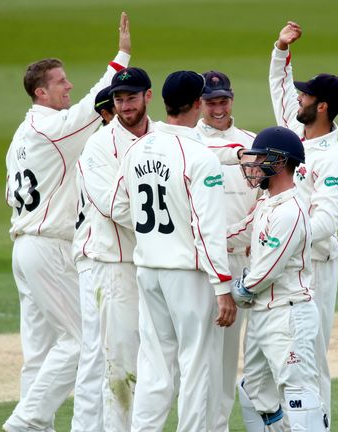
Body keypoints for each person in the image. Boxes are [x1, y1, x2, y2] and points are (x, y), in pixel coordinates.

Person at [2, 12, 131, 432]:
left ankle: (33, 426)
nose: (68, 86)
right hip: (50, 246)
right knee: (80, 342)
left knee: (39, 350)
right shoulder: (50, 128)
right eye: (61, 82)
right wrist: (121, 57)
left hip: (24, 245)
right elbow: (91, 107)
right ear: (41, 91)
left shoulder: (20, 136)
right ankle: (28, 419)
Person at [110, 70, 237, 431]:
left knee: (155, 365)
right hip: (189, 275)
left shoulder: (137, 148)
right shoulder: (199, 156)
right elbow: (208, 228)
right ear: (198, 103)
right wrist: (223, 286)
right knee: (198, 366)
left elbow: (118, 206)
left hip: (149, 270)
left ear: (162, 101)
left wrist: (156, 237)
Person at [268, 20, 338, 421]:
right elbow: (280, 89)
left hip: (315, 266)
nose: (298, 98)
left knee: (311, 357)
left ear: (322, 106)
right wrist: (281, 50)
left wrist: (288, 242)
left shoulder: (335, 163)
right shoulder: (295, 133)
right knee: (282, 355)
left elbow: (326, 221)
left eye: (307, 95)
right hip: (285, 265)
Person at [228, 126, 328, 431]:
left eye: (260, 159)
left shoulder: (291, 212)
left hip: (288, 313)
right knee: (254, 389)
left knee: (297, 395)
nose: (254, 166)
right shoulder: (266, 202)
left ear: (280, 162)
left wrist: (240, 289)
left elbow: (268, 270)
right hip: (262, 314)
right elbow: (239, 232)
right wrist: (202, 239)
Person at [76, 67, 153, 431]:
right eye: (119, 99)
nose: (124, 106)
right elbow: (114, 207)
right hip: (117, 265)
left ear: (147, 97)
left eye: (131, 98)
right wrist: (168, 231)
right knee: (119, 369)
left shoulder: (164, 137)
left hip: (158, 266)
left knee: (158, 364)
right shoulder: (98, 146)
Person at [195, 70, 259, 432]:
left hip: (243, 262)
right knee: (199, 357)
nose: (218, 109)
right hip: (203, 261)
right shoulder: (191, 143)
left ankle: (217, 426)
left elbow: (263, 197)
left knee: (226, 361)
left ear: (231, 100)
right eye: (210, 102)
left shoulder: (251, 142)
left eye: (223, 101)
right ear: (199, 103)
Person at [70, 84, 118, 432]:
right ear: (105, 114)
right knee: (95, 355)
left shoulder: (120, 145)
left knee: (113, 354)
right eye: (118, 105)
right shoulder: (97, 150)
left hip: (110, 259)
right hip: (95, 259)